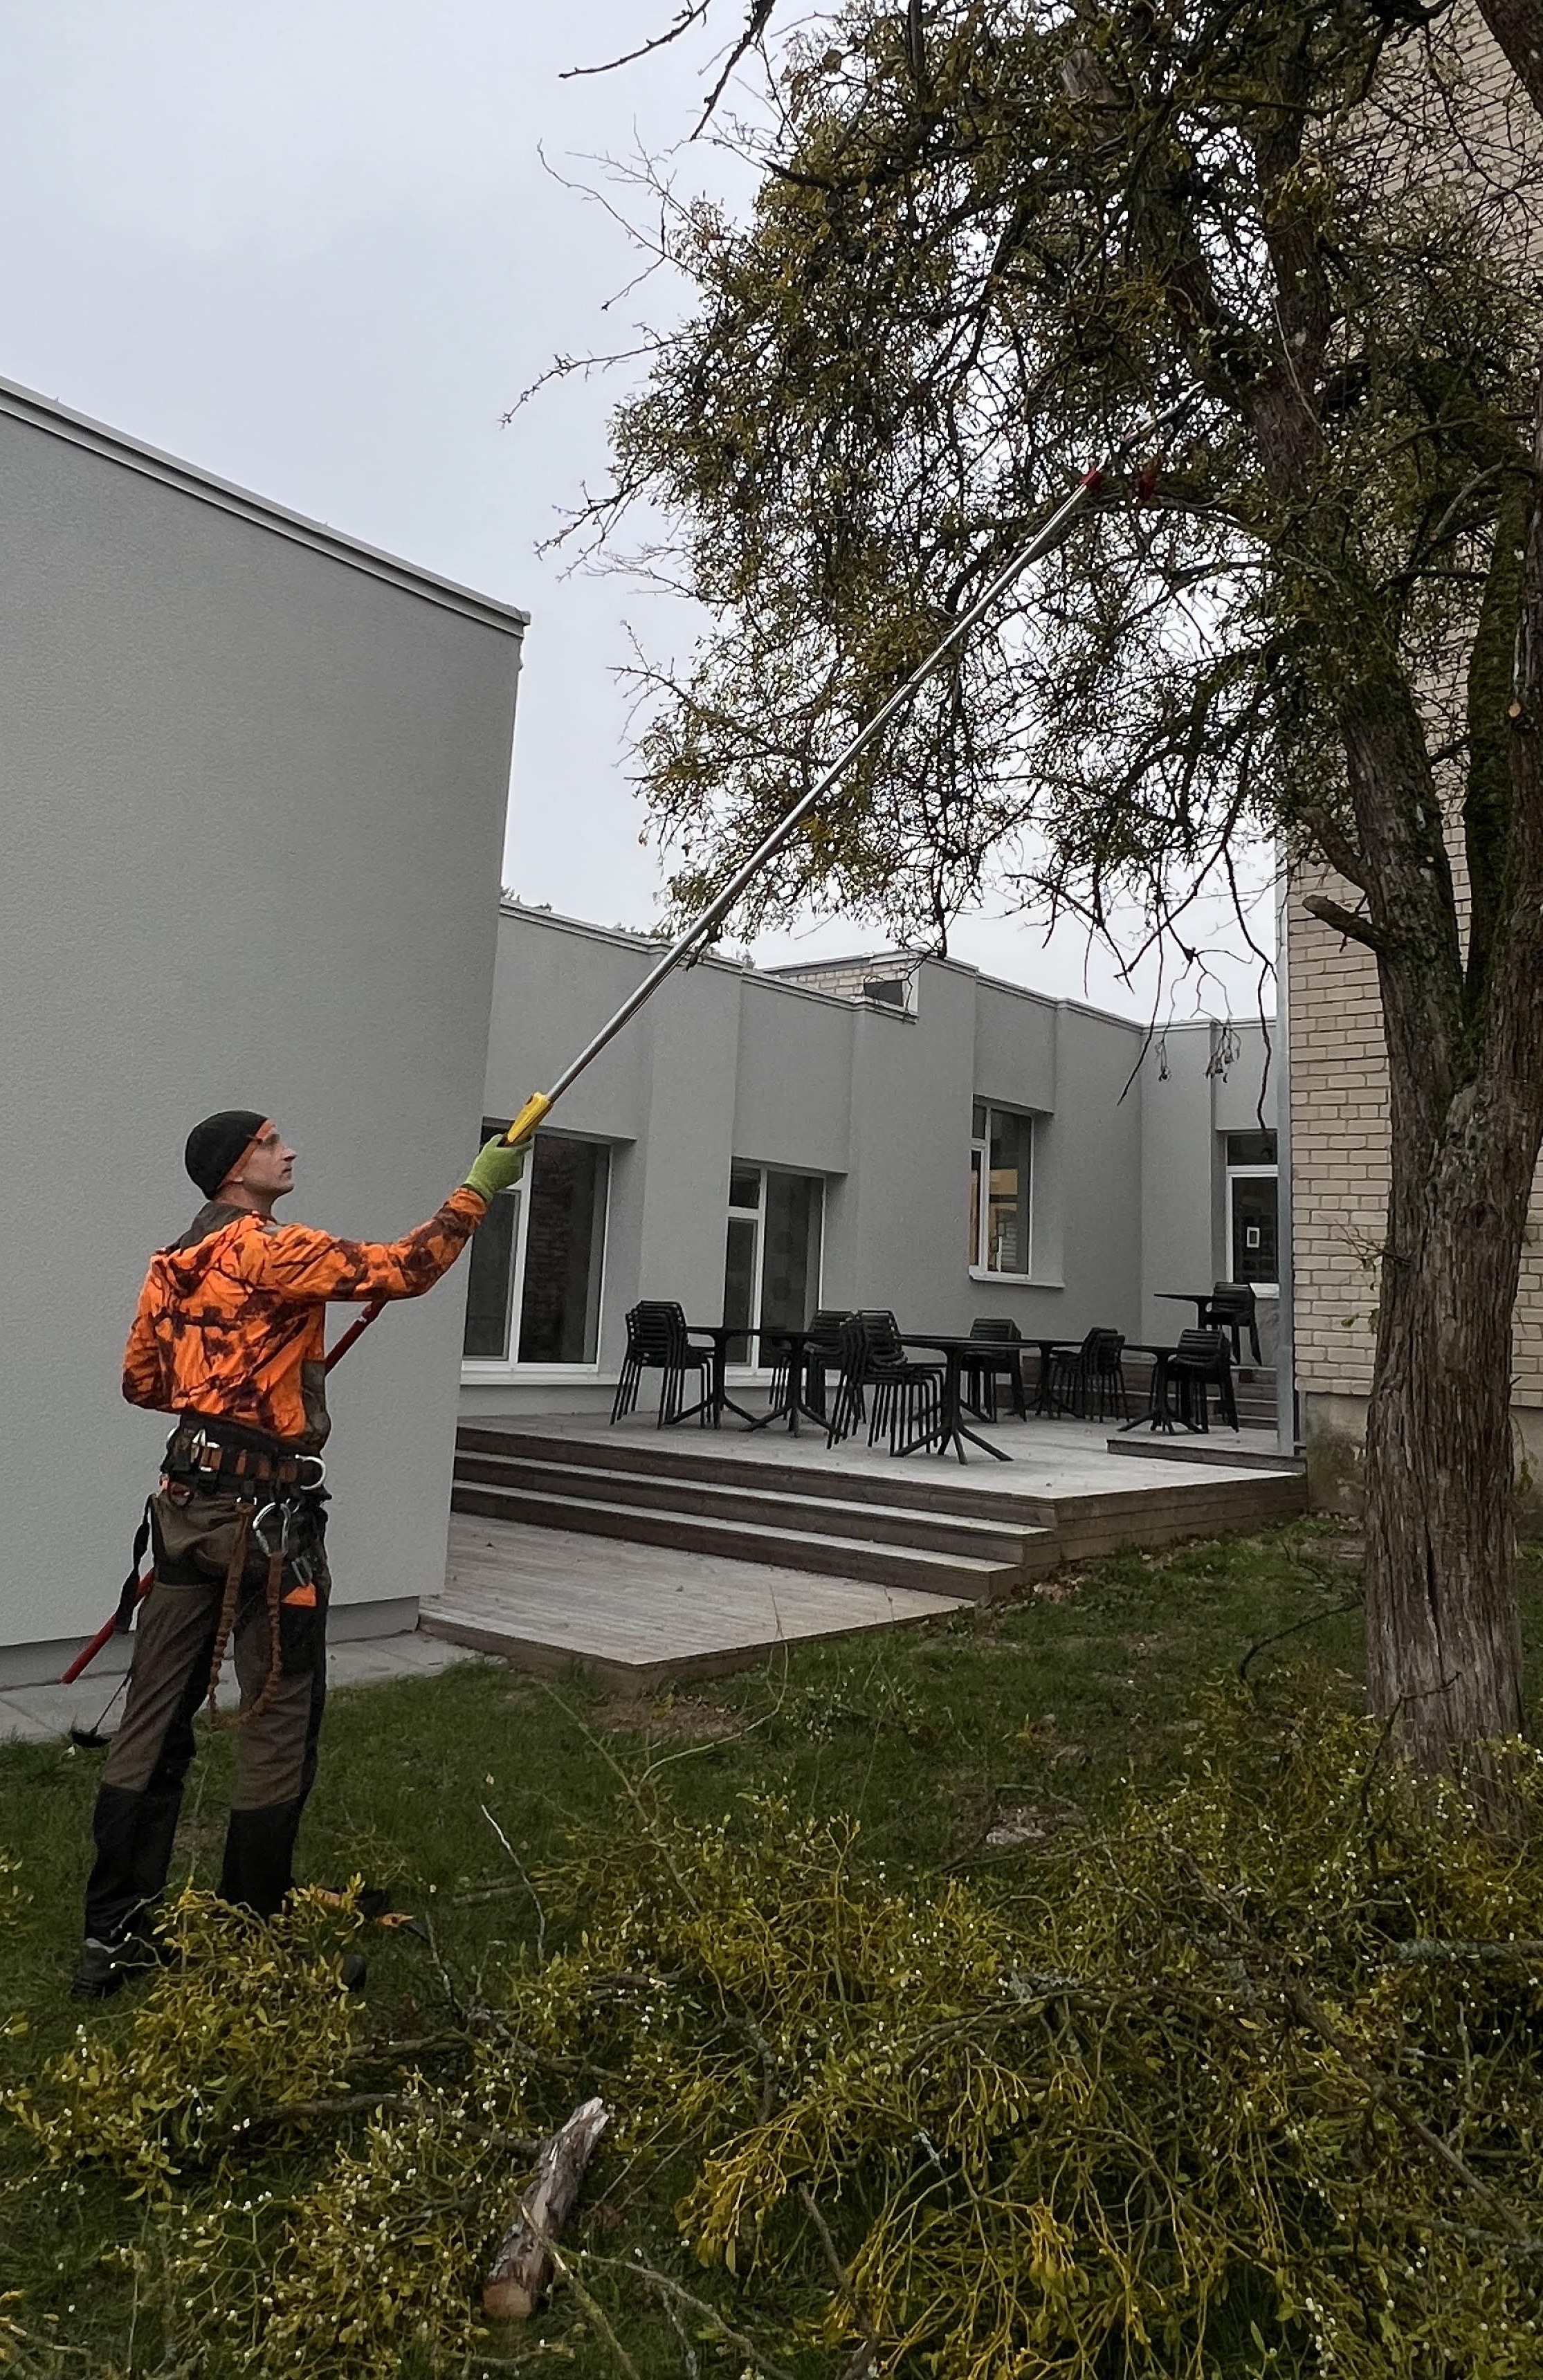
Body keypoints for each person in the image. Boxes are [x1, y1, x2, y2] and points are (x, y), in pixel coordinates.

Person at [72, 1107, 528, 1999]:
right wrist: (479, 1189)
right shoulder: (269, 1249)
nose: (289, 1153)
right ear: (234, 1169)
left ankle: (113, 1934)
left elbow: (143, 1383)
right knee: (278, 1719)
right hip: (265, 1522)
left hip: (186, 1508)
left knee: (153, 1718)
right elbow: (407, 1268)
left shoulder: (173, 1264)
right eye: (271, 1144)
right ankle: (255, 1925)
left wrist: (233, 1378)